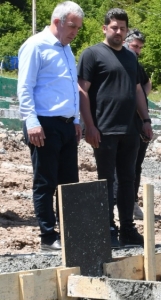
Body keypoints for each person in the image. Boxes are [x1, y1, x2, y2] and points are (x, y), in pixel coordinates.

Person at [77, 8, 153, 248]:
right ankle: (108, 228)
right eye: (114, 27)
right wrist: (89, 125)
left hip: (130, 130)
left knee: (128, 180)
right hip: (104, 129)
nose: (118, 32)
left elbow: (139, 90)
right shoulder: (92, 55)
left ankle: (127, 229)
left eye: (122, 28)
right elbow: (82, 90)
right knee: (106, 181)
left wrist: (146, 120)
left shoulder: (131, 58)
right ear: (104, 28)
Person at [17, 1, 84, 252]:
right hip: (43, 124)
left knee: (69, 183)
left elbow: (69, 87)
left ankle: (68, 234)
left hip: (66, 125)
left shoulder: (66, 49)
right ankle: (48, 236)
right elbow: (24, 87)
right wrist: (31, 122)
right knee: (46, 181)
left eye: (78, 28)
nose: (75, 32)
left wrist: (76, 120)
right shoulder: (36, 46)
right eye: (72, 27)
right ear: (57, 22)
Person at [113, 28, 151, 220]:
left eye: (140, 47)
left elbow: (147, 83)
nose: (137, 50)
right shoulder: (114, 59)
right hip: (115, 123)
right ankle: (112, 202)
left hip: (136, 124)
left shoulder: (135, 64)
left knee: (135, 165)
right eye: (135, 46)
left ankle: (132, 202)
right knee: (115, 166)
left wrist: (140, 101)